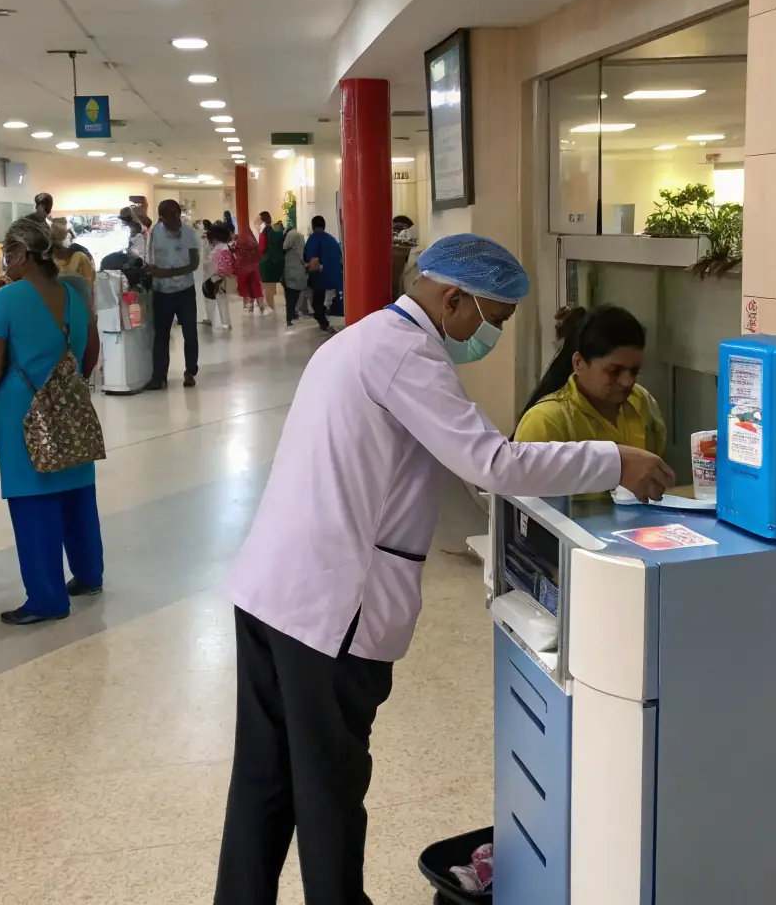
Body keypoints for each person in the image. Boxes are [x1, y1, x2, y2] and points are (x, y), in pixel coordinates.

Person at [213, 233, 674, 905]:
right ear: (453, 298)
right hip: (329, 607)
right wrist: (613, 459)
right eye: (494, 320)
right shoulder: (406, 356)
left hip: (271, 588)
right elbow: (491, 462)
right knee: (328, 787)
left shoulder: (366, 337)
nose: (490, 336)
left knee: (265, 775)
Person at [0, 218, 104, 625]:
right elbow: (90, 354)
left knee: (33, 501)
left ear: (21, 254)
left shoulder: (8, 299)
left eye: (7, 254)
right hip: (71, 406)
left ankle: (47, 599)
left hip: (22, 412)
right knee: (77, 494)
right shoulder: (75, 292)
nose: (5, 263)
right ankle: (88, 576)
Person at [515, 306, 666, 472]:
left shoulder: (641, 401)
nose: (627, 381)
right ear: (579, 363)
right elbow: (528, 495)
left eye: (634, 371)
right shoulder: (546, 421)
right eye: (614, 371)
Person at [144, 199, 202, 390]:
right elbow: (150, 259)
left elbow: (194, 264)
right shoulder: (155, 234)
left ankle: (190, 372)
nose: (174, 219)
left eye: (176, 214)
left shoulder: (189, 233)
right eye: (169, 215)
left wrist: (168, 273)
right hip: (162, 293)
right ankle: (159, 377)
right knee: (161, 336)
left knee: (190, 334)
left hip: (185, 291)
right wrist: (152, 271)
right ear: (161, 217)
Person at [303, 215, 343, 333]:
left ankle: (323, 322)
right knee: (322, 301)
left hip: (320, 276)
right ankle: (323, 316)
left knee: (317, 301)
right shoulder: (332, 239)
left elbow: (310, 258)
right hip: (335, 276)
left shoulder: (314, 238)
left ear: (313, 226)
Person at [280, 221, 308, 328]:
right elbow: (301, 255)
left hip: (287, 273)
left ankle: (290, 316)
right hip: (296, 272)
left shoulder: (286, 249)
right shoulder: (298, 237)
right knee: (294, 294)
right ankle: (291, 316)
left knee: (289, 295)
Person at [257, 212, 285, 313]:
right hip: (276, 261)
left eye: (258, 218)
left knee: (267, 287)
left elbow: (262, 247)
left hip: (267, 261)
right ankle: (271, 308)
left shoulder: (264, 231)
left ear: (262, 219)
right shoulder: (273, 229)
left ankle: (270, 309)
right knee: (271, 288)